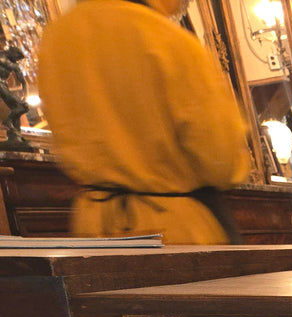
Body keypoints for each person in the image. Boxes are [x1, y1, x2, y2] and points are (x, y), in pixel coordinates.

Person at [37, 0, 251, 243]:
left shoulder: (56, 40)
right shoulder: (168, 40)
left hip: (93, 229)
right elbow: (221, 159)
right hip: (175, 230)